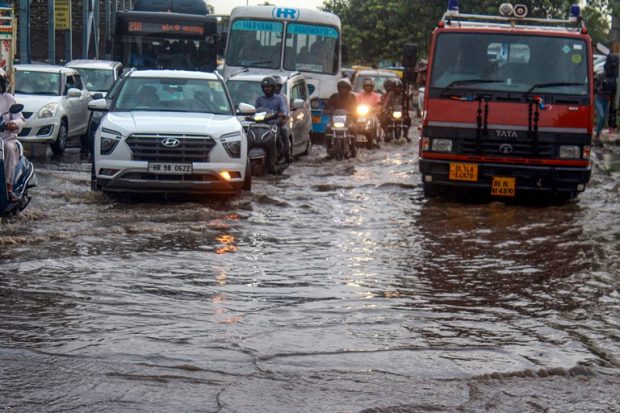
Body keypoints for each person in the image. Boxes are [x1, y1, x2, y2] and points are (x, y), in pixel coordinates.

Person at [0, 69, 25, 201]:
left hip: (5, 140)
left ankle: (8, 189)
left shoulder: (8, 98)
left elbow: (20, 119)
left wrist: (13, 124)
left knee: (9, 149)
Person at [254, 76, 290, 162]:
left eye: (268, 87)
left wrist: (280, 115)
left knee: (284, 131)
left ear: (273, 87)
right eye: (264, 87)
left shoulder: (279, 99)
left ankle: (285, 154)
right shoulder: (260, 100)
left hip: (275, 125)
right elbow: (254, 112)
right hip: (262, 125)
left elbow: (284, 112)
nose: (266, 89)